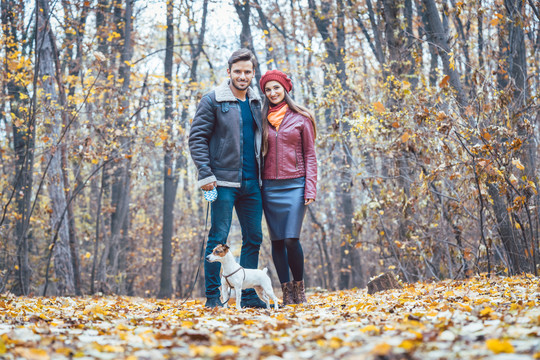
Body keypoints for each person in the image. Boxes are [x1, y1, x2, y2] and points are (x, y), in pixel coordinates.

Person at [188, 48, 267, 308]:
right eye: (238, 71)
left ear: (253, 73)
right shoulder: (212, 100)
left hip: (252, 182)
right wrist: (206, 174)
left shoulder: (257, 102)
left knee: (254, 237)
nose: (242, 76)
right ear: (229, 72)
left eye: (247, 71)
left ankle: (247, 296)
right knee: (218, 238)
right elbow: (196, 138)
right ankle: (213, 297)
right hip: (221, 182)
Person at [259, 70, 317, 305]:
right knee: (277, 241)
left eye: (276, 88)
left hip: (296, 184)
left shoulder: (301, 118)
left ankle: (300, 288)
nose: (273, 93)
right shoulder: (260, 119)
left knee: (292, 238)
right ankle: (286, 291)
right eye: (268, 89)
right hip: (269, 187)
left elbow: (310, 155)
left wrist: (310, 189)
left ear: (285, 89)